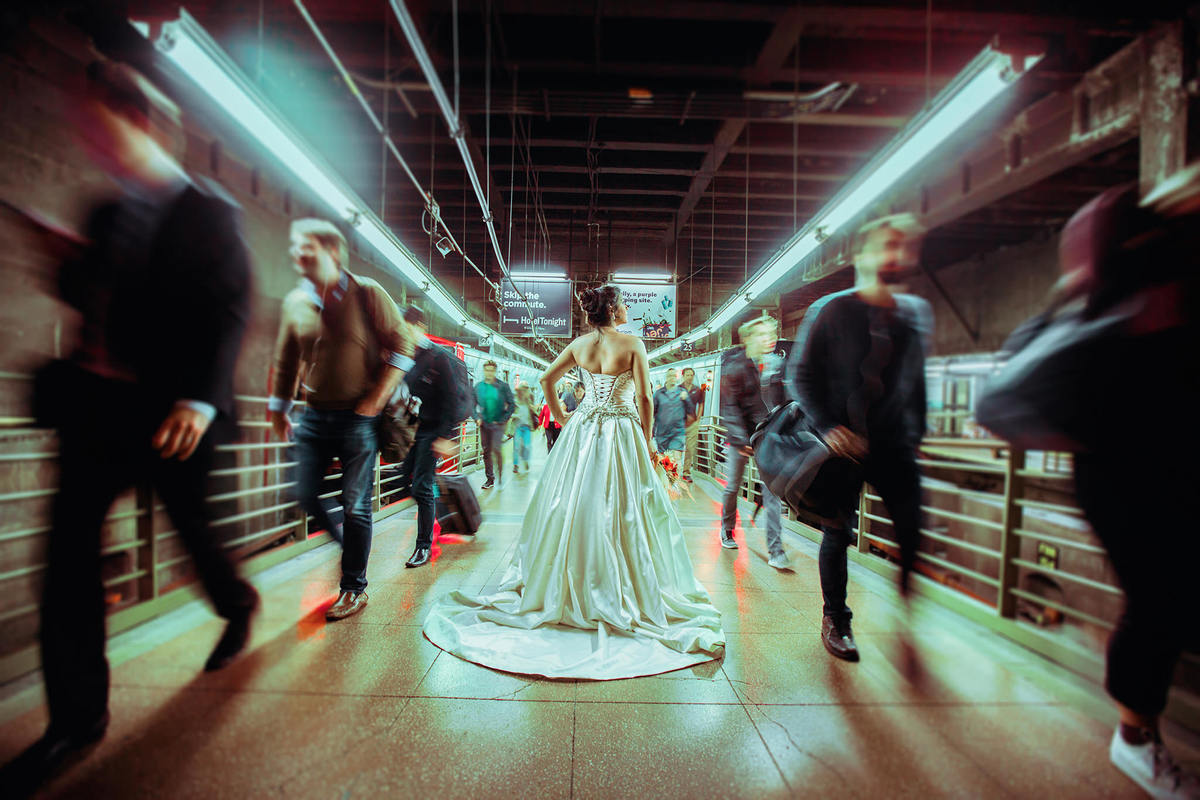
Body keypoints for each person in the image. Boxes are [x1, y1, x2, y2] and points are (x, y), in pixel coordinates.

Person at [2, 60, 260, 794]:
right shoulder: (104, 214)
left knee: (196, 535)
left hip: (175, 414)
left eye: (95, 123)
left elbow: (231, 307)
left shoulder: (208, 211)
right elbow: (93, 301)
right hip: (99, 411)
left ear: (138, 118)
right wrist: (61, 262)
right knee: (67, 557)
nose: (87, 139)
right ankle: (75, 720)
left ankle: (236, 602)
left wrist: (204, 399)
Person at [423, 284, 724, 678]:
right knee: (624, 506)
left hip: (583, 429)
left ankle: (568, 577)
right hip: (621, 430)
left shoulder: (580, 345)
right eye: (625, 303)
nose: (628, 307)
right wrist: (648, 441)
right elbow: (646, 398)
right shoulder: (632, 344)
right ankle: (618, 582)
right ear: (614, 308)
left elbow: (548, 379)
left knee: (574, 501)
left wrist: (564, 418)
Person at [785, 213, 932, 662]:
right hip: (842, 445)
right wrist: (829, 428)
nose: (899, 256)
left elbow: (916, 381)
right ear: (864, 255)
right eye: (890, 245)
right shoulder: (833, 310)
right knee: (837, 531)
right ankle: (836, 619)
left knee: (912, 528)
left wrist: (918, 433)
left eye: (906, 247)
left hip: (894, 444)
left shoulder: (912, 317)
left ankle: (907, 615)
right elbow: (801, 375)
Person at [268, 218, 412, 621]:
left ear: (332, 251)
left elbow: (402, 346)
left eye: (306, 246)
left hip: (356, 419)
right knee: (303, 491)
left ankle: (354, 587)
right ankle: (350, 545)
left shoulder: (367, 293)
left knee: (356, 505)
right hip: (312, 417)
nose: (297, 252)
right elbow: (286, 360)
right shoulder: (296, 302)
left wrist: (375, 398)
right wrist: (279, 407)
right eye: (294, 246)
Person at [719, 316, 788, 569]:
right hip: (740, 437)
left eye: (772, 333)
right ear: (748, 338)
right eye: (763, 334)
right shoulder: (734, 366)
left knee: (773, 493)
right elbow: (730, 407)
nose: (769, 338)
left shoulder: (777, 364)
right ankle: (727, 530)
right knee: (733, 486)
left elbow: (782, 403)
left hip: (767, 436)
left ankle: (776, 550)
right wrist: (740, 439)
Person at [396, 305, 460, 568]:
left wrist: (446, 435)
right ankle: (439, 512)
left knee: (421, 485)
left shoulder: (437, 358)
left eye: (407, 328)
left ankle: (423, 546)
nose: (403, 333)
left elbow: (452, 398)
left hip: (432, 431)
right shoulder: (404, 356)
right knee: (405, 481)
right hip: (413, 429)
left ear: (419, 327)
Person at [474, 360, 514, 490]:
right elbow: (471, 404)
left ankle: (501, 475)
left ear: (495, 372)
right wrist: (476, 417)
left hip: (498, 423)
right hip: (484, 423)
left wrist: (504, 419)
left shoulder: (503, 386)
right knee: (486, 451)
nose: (489, 373)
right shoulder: (479, 387)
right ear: (484, 371)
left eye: (491, 370)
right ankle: (490, 479)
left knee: (496, 448)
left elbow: (512, 404)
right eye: (487, 370)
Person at [652, 368, 690, 466]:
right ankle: (667, 481)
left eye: (674, 376)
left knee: (676, 459)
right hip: (662, 434)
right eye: (670, 376)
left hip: (678, 432)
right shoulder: (658, 394)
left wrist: (686, 399)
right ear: (666, 378)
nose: (672, 378)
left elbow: (691, 411)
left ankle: (676, 480)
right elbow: (653, 413)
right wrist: (651, 432)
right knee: (664, 462)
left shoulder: (682, 392)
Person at [680, 367, 705, 482]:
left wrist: (698, 418)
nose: (689, 377)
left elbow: (701, 404)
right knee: (677, 448)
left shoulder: (698, 390)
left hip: (692, 424)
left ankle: (686, 472)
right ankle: (673, 470)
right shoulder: (678, 389)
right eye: (687, 375)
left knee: (690, 448)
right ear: (683, 376)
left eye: (691, 375)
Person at [512, 383, 538, 474]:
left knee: (527, 446)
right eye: (523, 389)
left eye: (526, 389)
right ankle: (516, 465)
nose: (525, 391)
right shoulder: (515, 400)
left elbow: (534, 413)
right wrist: (515, 415)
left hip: (527, 427)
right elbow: (509, 412)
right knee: (516, 446)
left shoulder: (529, 400)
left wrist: (533, 408)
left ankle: (526, 460)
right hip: (517, 427)